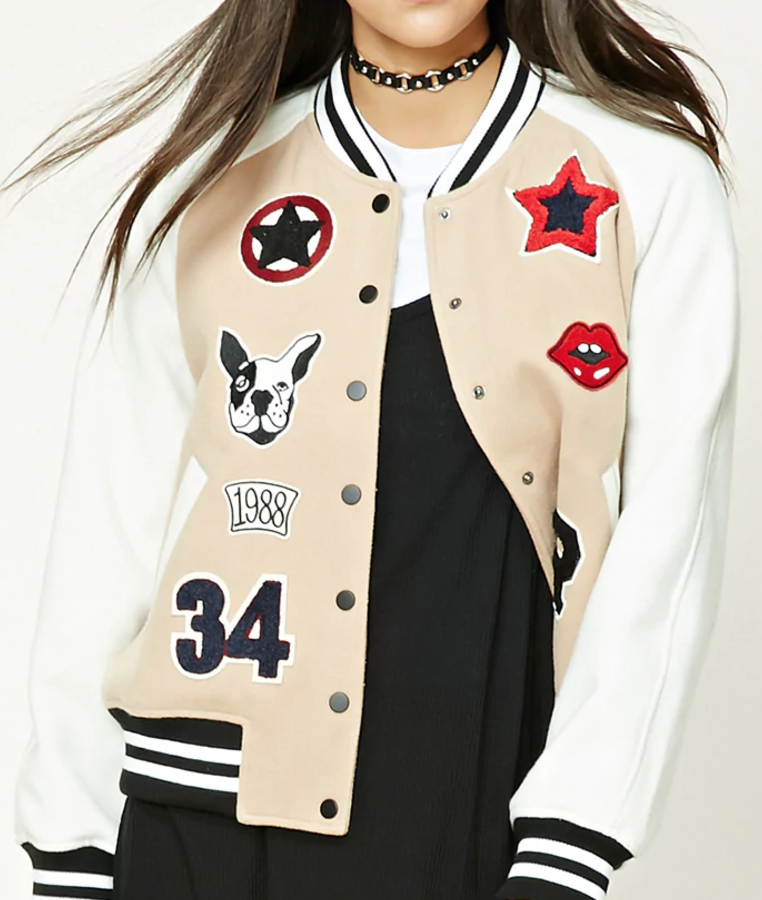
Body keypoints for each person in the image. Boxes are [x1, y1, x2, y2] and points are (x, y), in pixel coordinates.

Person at [7, 1, 739, 899]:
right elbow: (104, 536)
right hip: (182, 819)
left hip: (459, 816)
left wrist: (569, 844)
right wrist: (72, 848)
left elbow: (668, 543)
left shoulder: (646, 181)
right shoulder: (209, 181)